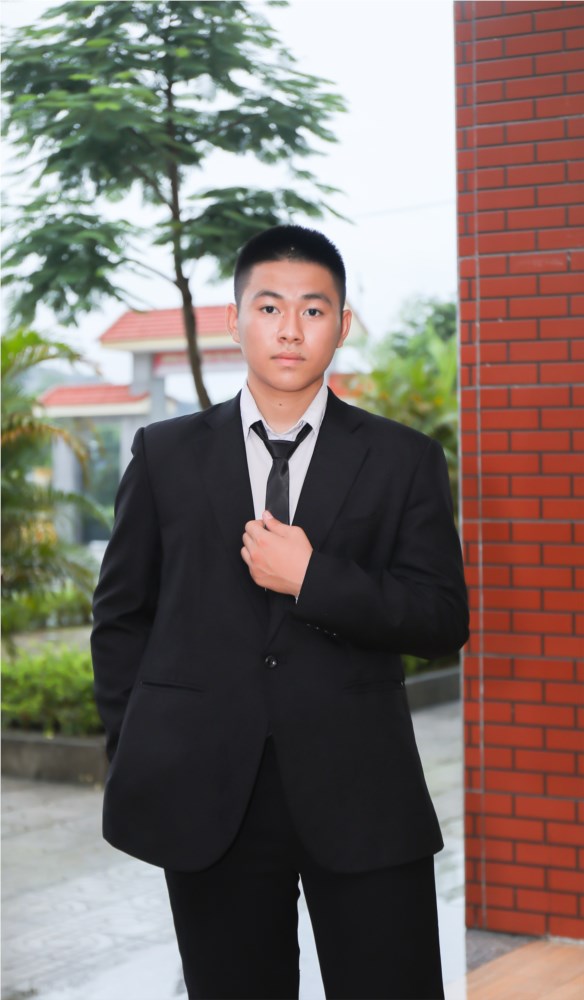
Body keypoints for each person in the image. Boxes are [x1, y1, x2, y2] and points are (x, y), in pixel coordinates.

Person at [91, 224, 468, 1000]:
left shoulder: (403, 458)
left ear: (342, 324)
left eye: (312, 309)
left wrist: (313, 578)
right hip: (209, 798)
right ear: (235, 320)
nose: (290, 329)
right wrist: (139, 748)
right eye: (269, 307)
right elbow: (121, 618)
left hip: (363, 794)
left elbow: (440, 618)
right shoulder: (164, 455)